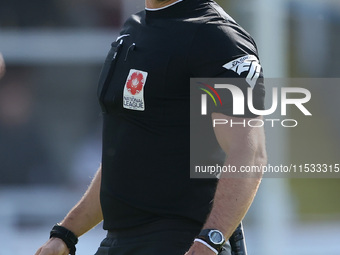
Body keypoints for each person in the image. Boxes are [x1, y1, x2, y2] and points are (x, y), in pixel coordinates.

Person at [35, 0, 267, 255]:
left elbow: (250, 153)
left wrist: (209, 241)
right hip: (119, 241)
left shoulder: (218, 37)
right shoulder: (134, 27)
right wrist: (66, 233)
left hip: (183, 240)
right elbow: (125, 155)